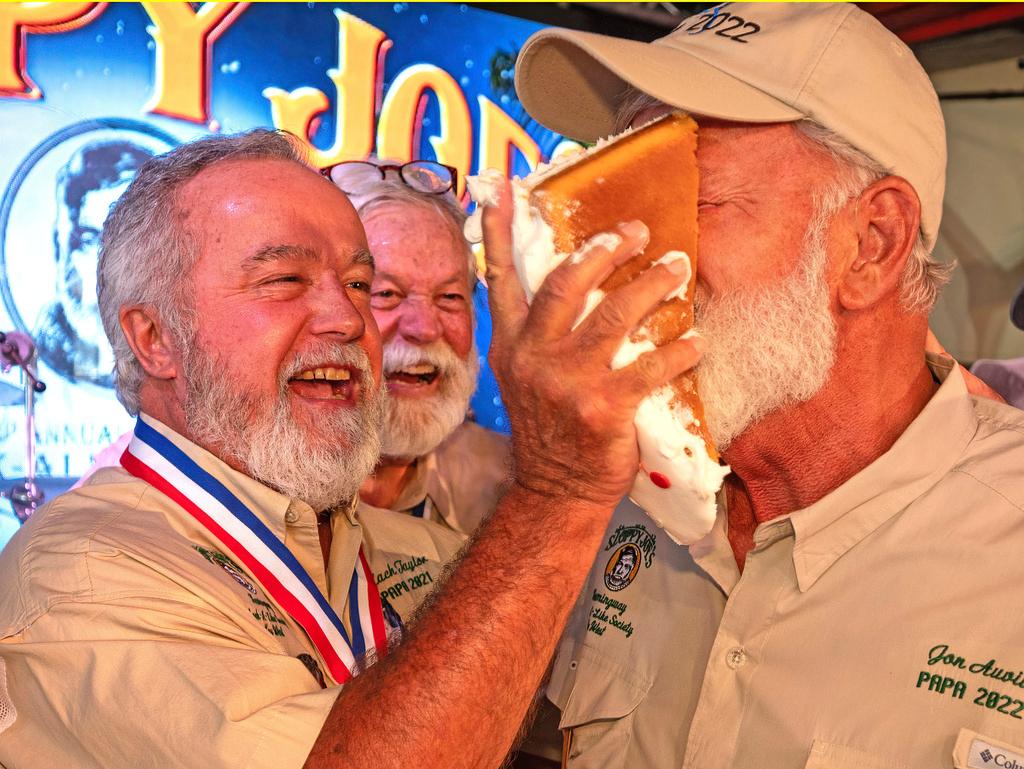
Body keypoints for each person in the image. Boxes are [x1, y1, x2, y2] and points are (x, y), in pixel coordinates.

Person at [0, 129, 703, 768]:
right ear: (154, 338)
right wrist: (558, 490)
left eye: (360, 284)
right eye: (284, 280)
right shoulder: (85, 571)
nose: (350, 318)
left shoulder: (419, 551)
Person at [511, 4, 1024, 767]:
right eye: (618, 199)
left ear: (871, 244)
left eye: (687, 200)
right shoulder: (611, 506)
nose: (623, 256)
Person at [326, 159, 509, 536]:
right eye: (386, 293)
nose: (424, 328)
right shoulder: (250, 491)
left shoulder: (514, 487)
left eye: (450, 297)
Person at [34, 140, 153, 387]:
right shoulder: (32, 364)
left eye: (125, 242)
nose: (104, 266)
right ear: (61, 244)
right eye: (89, 240)